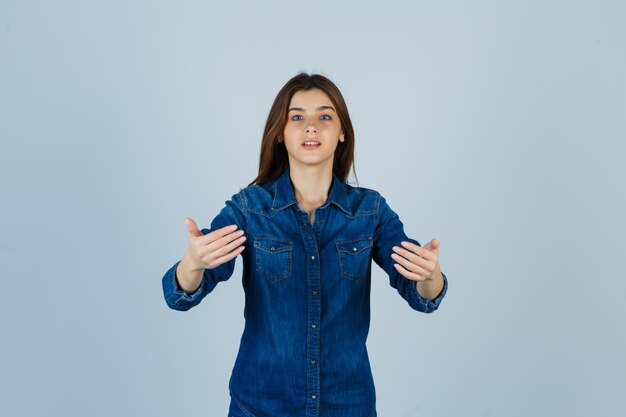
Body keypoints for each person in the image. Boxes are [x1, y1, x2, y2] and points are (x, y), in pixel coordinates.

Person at [161, 73, 449, 417]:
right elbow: (181, 295)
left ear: (342, 133)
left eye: (325, 116)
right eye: (297, 117)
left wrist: (431, 274)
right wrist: (192, 264)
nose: (311, 126)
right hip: (259, 405)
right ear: (280, 134)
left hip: (347, 406)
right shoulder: (249, 209)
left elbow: (422, 293)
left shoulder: (370, 211)